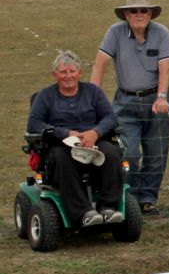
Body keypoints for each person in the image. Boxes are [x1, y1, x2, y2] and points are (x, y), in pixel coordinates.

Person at [91, 0, 169, 216]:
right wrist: (93, 99)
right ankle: (131, 197)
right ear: (126, 14)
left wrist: (162, 96)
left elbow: (165, 68)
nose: (139, 15)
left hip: (155, 99)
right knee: (127, 152)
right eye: (134, 11)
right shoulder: (114, 32)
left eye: (143, 11)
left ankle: (148, 199)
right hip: (125, 100)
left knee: (156, 151)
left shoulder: (161, 33)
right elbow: (100, 65)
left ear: (150, 13)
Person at [28, 50, 125, 227]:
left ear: (80, 73)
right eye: (63, 72)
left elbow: (110, 118)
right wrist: (65, 133)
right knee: (61, 157)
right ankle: (82, 212)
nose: (68, 76)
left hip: (92, 142)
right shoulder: (45, 96)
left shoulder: (93, 92)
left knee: (111, 152)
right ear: (55, 74)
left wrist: (94, 133)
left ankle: (108, 207)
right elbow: (34, 124)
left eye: (72, 71)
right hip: (60, 145)